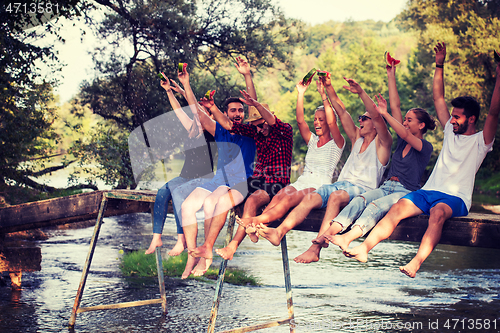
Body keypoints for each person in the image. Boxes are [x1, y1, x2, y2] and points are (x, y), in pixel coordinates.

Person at [344, 42, 499, 278]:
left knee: (437, 212)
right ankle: (365, 248)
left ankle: (416, 262)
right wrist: (439, 64)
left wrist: (499, 76)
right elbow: (439, 97)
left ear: (471, 119)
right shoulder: (449, 131)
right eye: (452, 116)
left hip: (455, 198)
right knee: (397, 208)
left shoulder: (481, 141)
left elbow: (495, 112)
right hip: (428, 191)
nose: (452, 120)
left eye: (457, 117)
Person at [257, 75, 392, 264]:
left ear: (376, 125)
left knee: (335, 197)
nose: (359, 120)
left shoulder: (382, 144)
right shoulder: (356, 138)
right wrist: (327, 88)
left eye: (364, 118)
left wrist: (361, 92)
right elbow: (342, 112)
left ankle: (315, 249)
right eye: (360, 118)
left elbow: (377, 116)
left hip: (362, 190)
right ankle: (278, 232)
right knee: (310, 197)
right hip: (340, 185)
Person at [216, 77, 345, 260]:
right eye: (315, 119)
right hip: (302, 180)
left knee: (286, 200)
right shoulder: (312, 141)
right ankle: (259, 228)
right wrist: (300, 94)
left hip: (319, 184)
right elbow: (301, 121)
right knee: (279, 197)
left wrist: (323, 95)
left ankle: (252, 222)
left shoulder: (337, 143)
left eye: (321, 120)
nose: (317, 122)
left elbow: (332, 123)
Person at [325, 61, 435, 251]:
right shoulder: (402, 141)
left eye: (409, 120)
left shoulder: (425, 146)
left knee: (375, 206)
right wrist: (391, 74)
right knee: (360, 200)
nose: (405, 123)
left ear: (421, 125)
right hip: (386, 186)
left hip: (405, 192)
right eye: (405, 120)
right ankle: (329, 233)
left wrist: (383, 112)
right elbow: (395, 105)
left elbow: (403, 131)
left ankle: (348, 238)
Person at [177, 59, 257, 278]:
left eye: (241, 110)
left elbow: (254, 103)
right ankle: (193, 255)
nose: (238, 113)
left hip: (241, 181)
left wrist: (247, 75)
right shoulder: (219, 130)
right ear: (225, 112)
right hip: (219, 180)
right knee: (187, 207)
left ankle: (206, 254)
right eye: (233, 110)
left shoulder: (249, 130)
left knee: (213, 203)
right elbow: (198, 112)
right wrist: (186, 84)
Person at [145, 74, 216, 256]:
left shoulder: (211, 130)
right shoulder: (192, 128)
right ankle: (156, 237)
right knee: (162, 192)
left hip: (202, 178)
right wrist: (169, 91)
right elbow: (178, 111)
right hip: (185, 176)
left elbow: (194, 108)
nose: (199, 115)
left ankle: (181, 239)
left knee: (178, 194)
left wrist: (185, 89)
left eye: (203, 113)